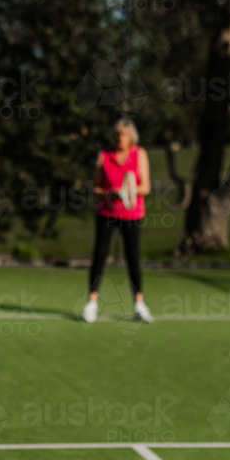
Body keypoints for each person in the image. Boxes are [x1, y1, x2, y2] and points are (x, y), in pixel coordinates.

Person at [81, 118, 154, 324]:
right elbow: (95, 191)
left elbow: (145, 186)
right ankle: (92, 304)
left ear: (131, 137)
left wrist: (128, 192)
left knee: (133, 257)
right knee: (100, 255)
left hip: (132, 214)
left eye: (123, 134)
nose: (119, 137)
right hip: (106, 213)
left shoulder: (139, 154)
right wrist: (110, 195)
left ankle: (139, 304)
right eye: (116, 134)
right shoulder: (104, 155)